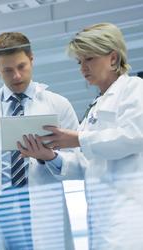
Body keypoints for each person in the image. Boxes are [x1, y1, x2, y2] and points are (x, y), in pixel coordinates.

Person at [19, 23, 143, 250]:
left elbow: (134, 137)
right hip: (102, 223)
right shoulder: (96, 106)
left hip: (130, 220)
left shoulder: (134, 89)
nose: (83, 68)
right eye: (80, 62)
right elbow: (84, 164)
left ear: (113, 59)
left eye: (90, 59)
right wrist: (49, 156)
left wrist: (78, 139)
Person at [0, 32, 79, 250]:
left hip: (44, 212)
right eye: (7, 70)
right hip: (0, 213)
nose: (16, 76)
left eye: (22, 66)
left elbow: (80, 160)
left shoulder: (58, 105)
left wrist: (50, 157)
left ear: (32, 59)